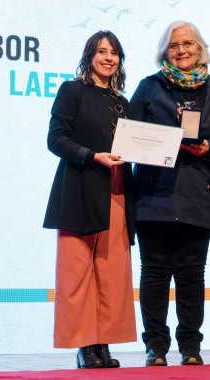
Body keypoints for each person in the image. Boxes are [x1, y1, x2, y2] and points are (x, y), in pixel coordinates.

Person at [129, 21, 210, 366]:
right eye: (174, 46)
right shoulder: (148, 88)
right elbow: (129, 137)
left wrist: (209, 147)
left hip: (198, 197)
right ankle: (155, 347)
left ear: (199, 48)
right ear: (165, 52)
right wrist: (159, 143)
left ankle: (191, 348)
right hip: (154, 197)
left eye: (188, 44)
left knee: (191, 277)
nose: (181, 50)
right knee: (153, 275)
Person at [43, 30, 136, 369]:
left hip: (116, 193)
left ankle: (104, 346)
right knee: (77, 275)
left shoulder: (123, 103)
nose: (108, 57)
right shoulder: (72, 91)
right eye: (101, 51)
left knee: (111, 276)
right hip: (78, 191)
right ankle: (85, 347)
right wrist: (91, 155)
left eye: (114, 52)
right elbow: (56, 139)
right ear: (89, 56)